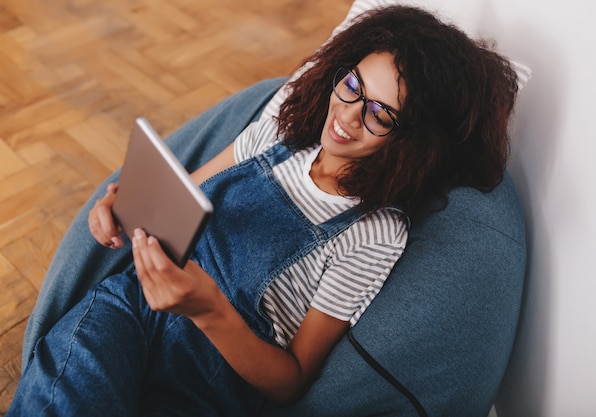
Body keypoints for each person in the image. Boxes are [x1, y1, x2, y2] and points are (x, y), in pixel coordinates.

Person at [8, 5, 518, 416]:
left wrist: (207, 309)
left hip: (210, 381)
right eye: (353, 86)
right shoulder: (282, 132)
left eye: (380, 113)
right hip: (129, 308)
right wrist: (119, 206)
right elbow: (182, 194)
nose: (348, 116)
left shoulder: (374, 232)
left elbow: (291, 381)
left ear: (413, 144)